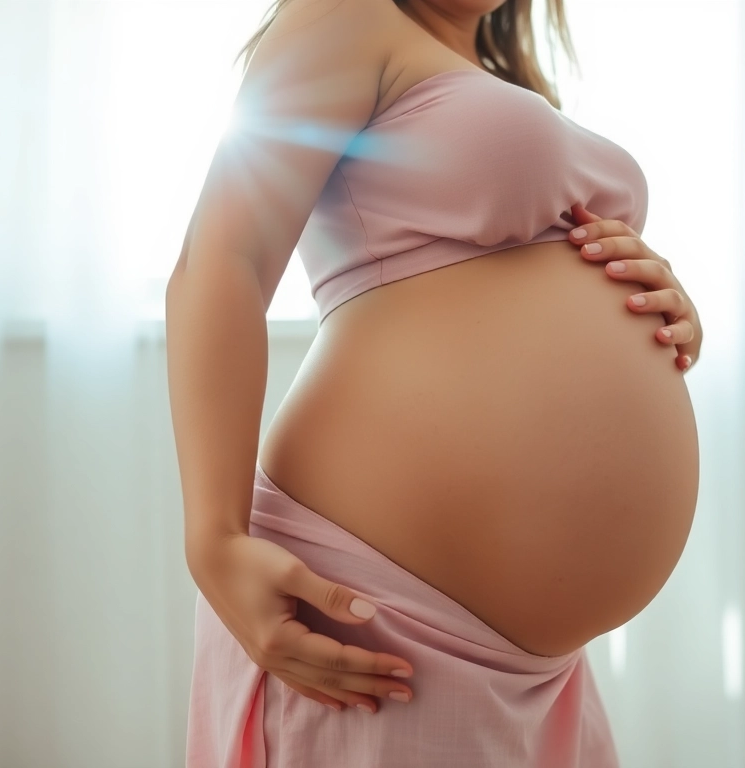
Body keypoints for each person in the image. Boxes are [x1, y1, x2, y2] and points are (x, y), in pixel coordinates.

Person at [165, 0, 702, 764]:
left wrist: (667, 308)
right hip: (377, 610)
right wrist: (213, 541)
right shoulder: (346, 13)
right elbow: (222, 259)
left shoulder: (495, 79)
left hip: (544, 673)